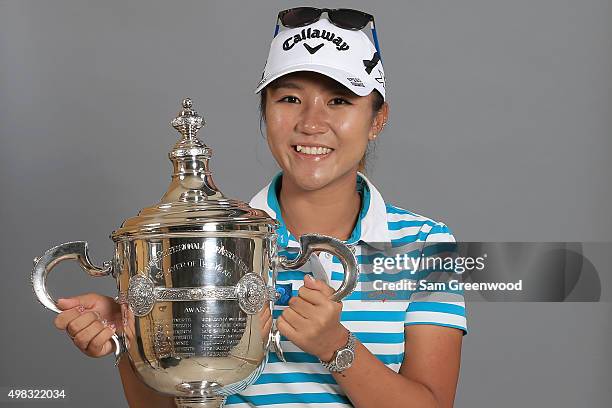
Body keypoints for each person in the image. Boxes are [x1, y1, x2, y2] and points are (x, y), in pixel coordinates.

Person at [53, 7, 467, 408]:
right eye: (289, 98)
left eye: (339, 101)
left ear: (377, 119)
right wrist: (132, 335)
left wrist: (335, 345)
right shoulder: (207, 241)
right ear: (265, 114)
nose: (311, 122)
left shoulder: (428, 245)